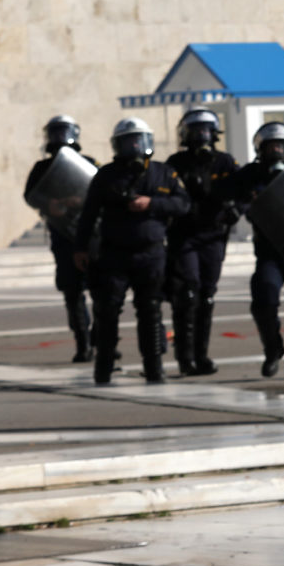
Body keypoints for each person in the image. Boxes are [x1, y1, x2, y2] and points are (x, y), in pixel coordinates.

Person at [75, 117, 187, 385]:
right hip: (114, 255)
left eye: (139, 140)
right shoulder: (106, 175)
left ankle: (154, 370)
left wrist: (152, 203)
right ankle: (103, 370)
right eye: (128, 142)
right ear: (118, 145)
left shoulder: (164, 173)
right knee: (107, 311)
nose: (135, 146)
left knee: (150, 312)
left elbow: (182, 205)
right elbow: (88, 214)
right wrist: (81, 247)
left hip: (151, 255)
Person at [225, 121, 284, 380]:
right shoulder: (250, 175)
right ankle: (272, 350)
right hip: (269, 251)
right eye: (271, 147)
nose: (275, 151)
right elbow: (233, 199)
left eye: (280, 146)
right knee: (264, 299)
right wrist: (246, 204)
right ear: (260, 149)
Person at [166, 107, 241, 377]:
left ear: (214, 133)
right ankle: (185, 358)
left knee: (207, 295)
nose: (201, 136)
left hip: (214, 236)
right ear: (185, 134)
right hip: (184, 236)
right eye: (195, 131)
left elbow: (242, 189)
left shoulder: (225, 162)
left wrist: (236, 209)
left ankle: (202, 355)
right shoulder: (175, 163)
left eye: (205, 130)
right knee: (188, 292)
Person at [24, 116, 94, 364]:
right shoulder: (41, 169)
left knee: (102, 292)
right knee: (72, 293)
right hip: (63, 235)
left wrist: (79, 201)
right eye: (55, 132)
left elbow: (100, 190)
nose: (59, 137)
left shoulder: (87, 163)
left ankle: (103, 340)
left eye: (63, 131)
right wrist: (49, 204)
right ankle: (83, 342)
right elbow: (31, 196)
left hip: (91, 236)